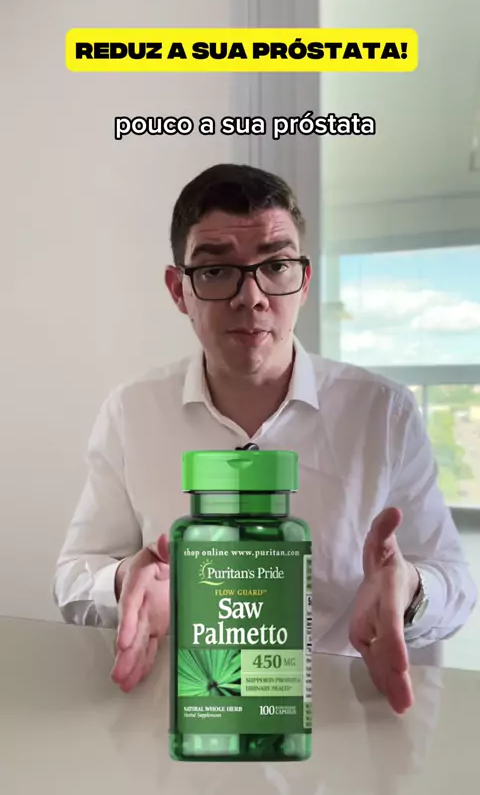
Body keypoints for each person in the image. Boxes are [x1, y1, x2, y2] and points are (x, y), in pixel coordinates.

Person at [53, 162, 477, 714]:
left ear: (304, 281)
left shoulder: (384, 413)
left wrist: (410, 589)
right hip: (188, 718)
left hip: (342, 722)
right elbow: (73, 577)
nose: (250, 297)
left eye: (275, 265)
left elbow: (455, 584)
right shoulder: (132, 412)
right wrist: (122, 582)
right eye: (216, 270)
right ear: (179, 290)